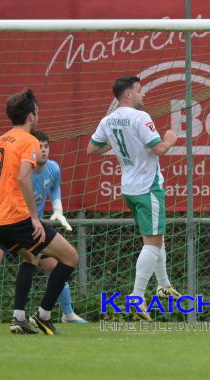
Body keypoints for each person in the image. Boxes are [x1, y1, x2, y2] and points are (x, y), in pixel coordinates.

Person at [0, 89, 79, 335]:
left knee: (31, 258)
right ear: (30, 116)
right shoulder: (29, 141)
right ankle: (44, 316)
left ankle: (18, 318)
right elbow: (24, 177)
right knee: (70, 258)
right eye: (37, 111)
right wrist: (34, 218)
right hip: (17, 218)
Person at [87, 76, 181, 320]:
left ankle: (163, 284)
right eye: (140, 91)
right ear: (128, 94)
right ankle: (137, 297)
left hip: (129, 187)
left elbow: (93, 149)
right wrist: (170, 139)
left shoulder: (108, 120)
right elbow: (159, 149)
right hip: (147, 186)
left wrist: (119, 145)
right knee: (152, 242)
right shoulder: (141, 117)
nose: (143, 95)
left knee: (156, 237)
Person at [0, 130, 86, 325]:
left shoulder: (53, 168)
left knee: (47, 264)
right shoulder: (22, 170)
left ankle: (64, 313)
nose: (42, 150)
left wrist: (57, 209)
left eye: (46, 146)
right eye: (39, 146)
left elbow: (55, 189)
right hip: (14, 220)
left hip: (28, 224)